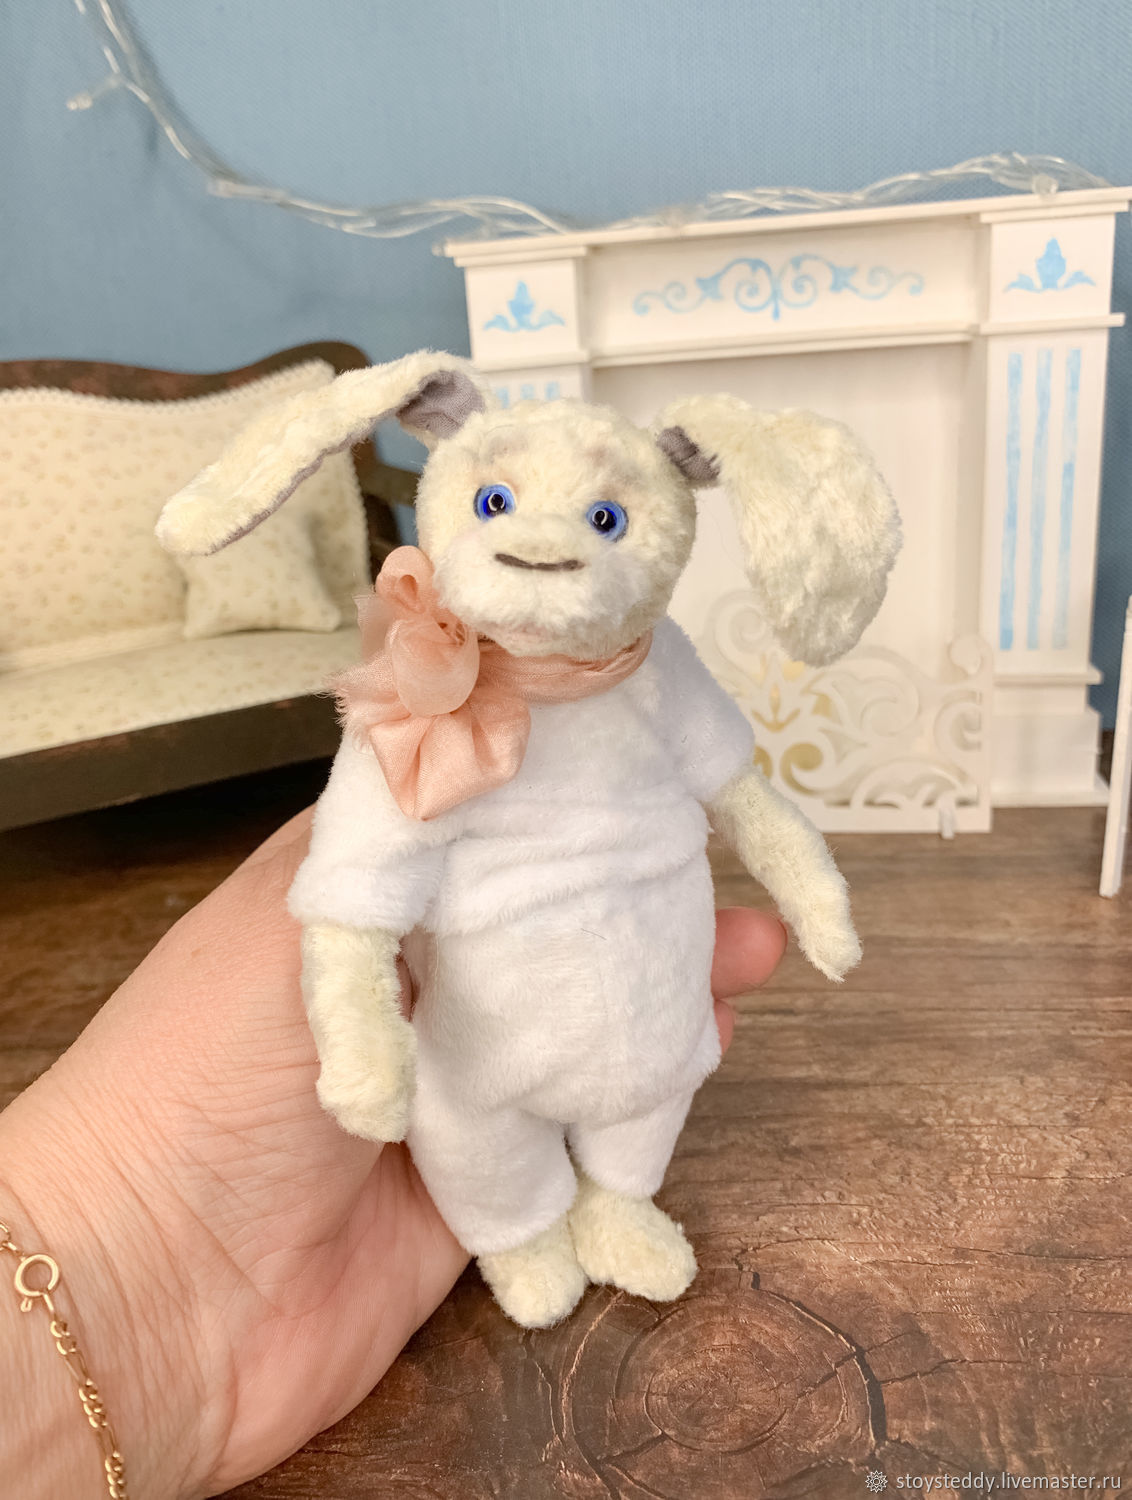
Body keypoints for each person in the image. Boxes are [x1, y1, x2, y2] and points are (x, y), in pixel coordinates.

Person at [0, 806, 787, 1497]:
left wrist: (808, 888)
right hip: (457, 1063)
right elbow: (350, 902)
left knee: (647, 1060)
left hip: (591, 1013)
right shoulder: (423, 771)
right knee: (501, 1119)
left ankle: (613, 1202)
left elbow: (737, 789)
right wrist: (357, 1041)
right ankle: (528, 1236)